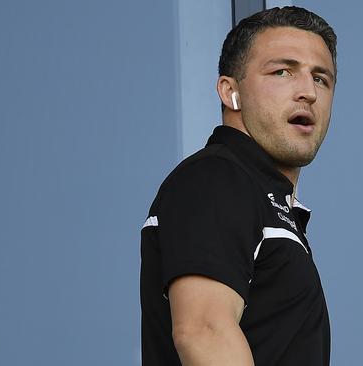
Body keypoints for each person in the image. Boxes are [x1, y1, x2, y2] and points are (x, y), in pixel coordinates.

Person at [140, 6, 337, 365]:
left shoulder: (263, 198)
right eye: (282, 71)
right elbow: (204, 332)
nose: (307, 91)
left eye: (321, 78)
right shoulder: (215, 178)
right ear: (231, 92)